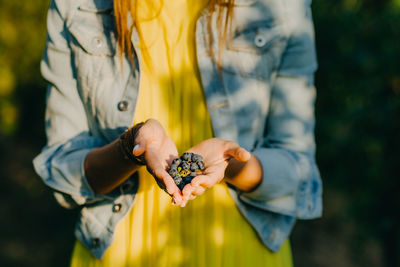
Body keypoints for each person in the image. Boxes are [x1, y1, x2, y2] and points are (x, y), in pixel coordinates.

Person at [33, 0, 322, 265]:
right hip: (119, 255)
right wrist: (130, 147)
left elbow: (300, 174)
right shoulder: (78, 6)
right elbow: (62, 170)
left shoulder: (283, 6)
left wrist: (230, 163)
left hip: (242, 254)